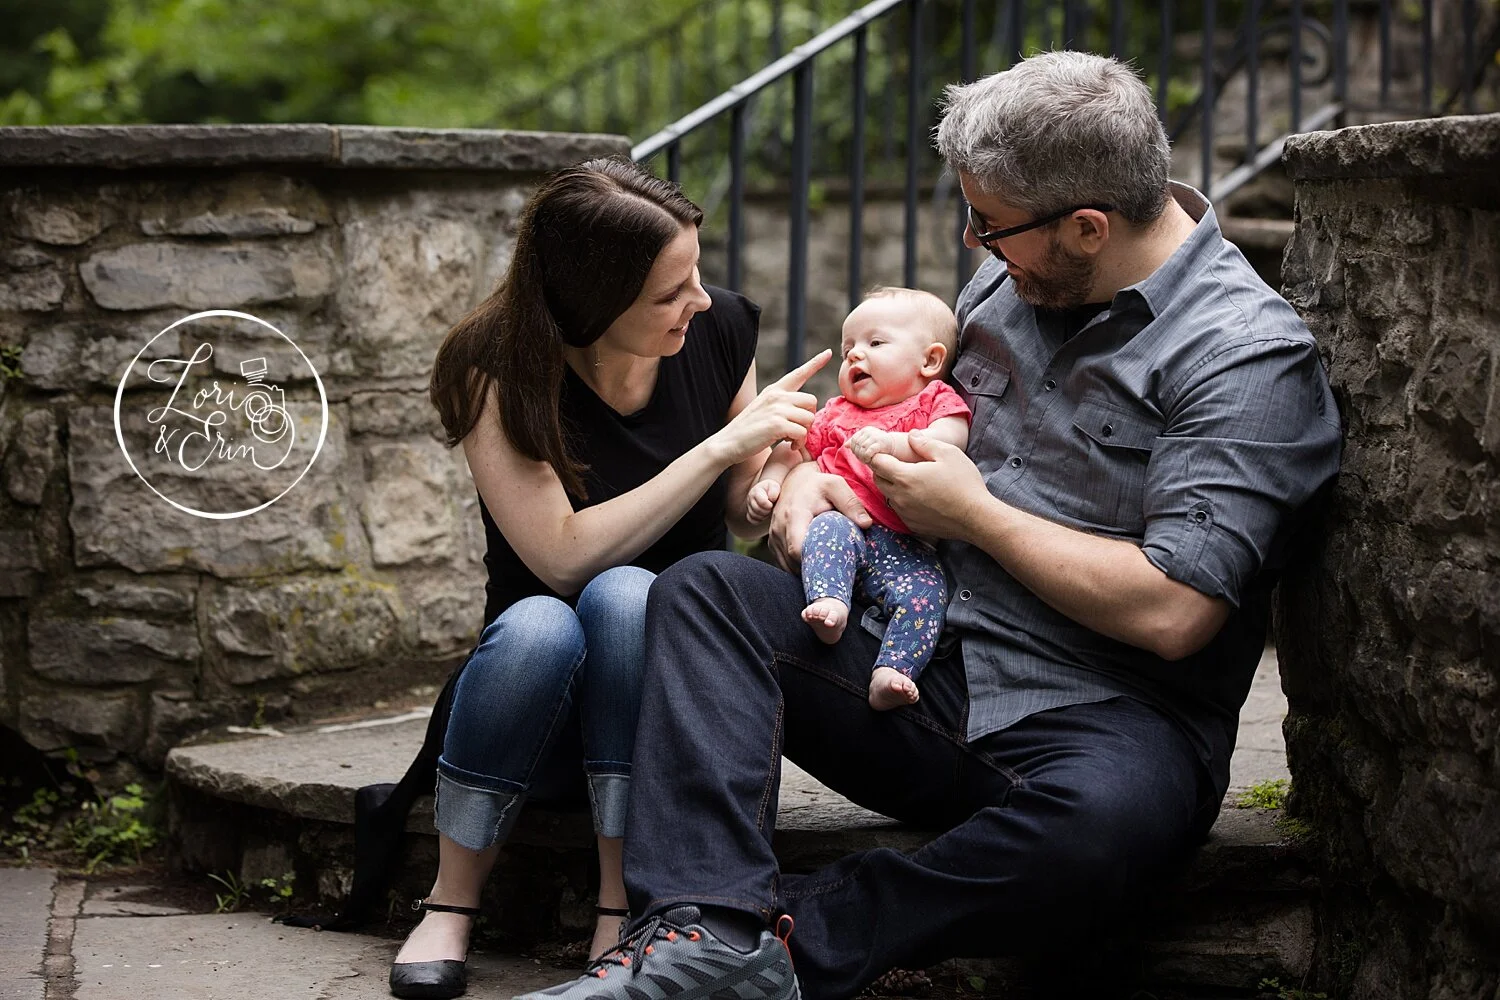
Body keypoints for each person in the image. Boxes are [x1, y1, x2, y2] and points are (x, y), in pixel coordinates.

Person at [513, 51, 1343, 1000]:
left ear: (1086, 227)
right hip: (917, 665)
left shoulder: (1243, 357)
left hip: (1107, 723)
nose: (972, 244)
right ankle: (700, 925)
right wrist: (816, 496)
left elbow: (1175, 612)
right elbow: (893, 433)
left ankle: (780, 946)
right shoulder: (1016, 282)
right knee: (706, 592)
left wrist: (977, 516)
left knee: (1107, 831)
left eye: (991, 227)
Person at [380, 157, 830, 1000]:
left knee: (635, 599)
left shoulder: (719, 328)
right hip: (533, 698)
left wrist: (786, 471)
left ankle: (620, 905)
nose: (697, 300)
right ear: (589, 303)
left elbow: (736, 508)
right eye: (670, 292)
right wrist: (721, 448)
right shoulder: (496, 366)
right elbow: (559, 555)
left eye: (696, 274)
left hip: (666, 704)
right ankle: (450, 899)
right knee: (556, 616)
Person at [746, 288, 971, 710]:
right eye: (849, 347)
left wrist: (895, 442)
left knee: (929, 592)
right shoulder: (836, 412)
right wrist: (769, 483)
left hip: (907, 548)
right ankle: (830, 601)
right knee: (829, 528)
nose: (854, 356)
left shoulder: (933, 402)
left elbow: (949, 441)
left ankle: (894, 670)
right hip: (843, 528)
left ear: (930, 360)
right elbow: (793, 449)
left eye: (875, 343)